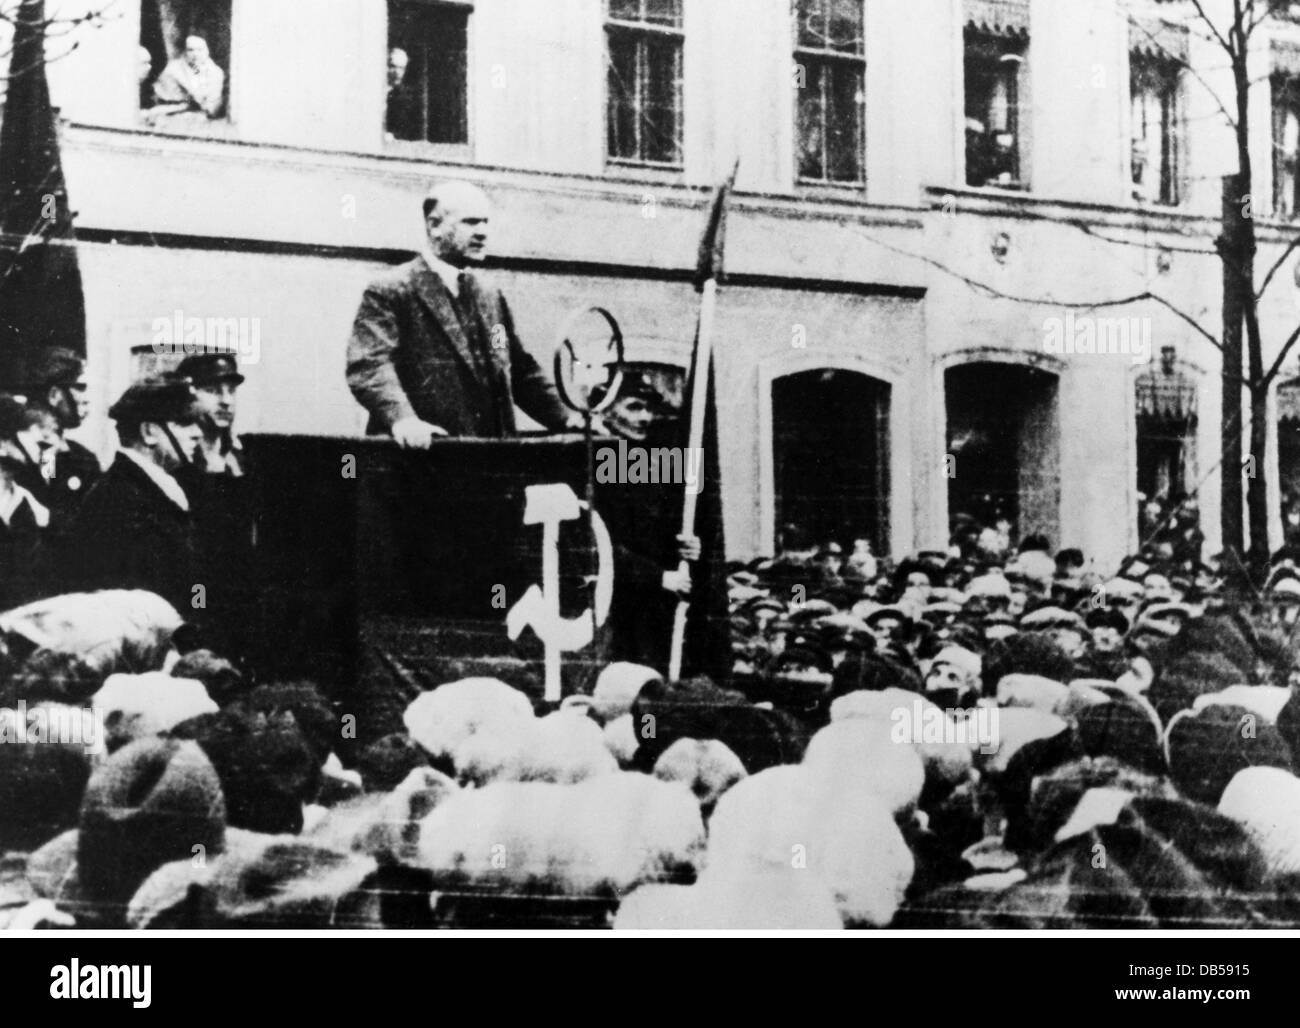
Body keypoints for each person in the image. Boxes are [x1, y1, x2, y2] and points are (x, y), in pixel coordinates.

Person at [346, 179, 569, 443]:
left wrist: (567, 418)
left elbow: (516, 368)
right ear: (434, 226)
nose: (483, 232)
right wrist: (403, 421)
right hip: (424, 464)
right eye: (470, 222)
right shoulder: (391, 291)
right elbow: (370, 365)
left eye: (486, 222)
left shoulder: (490, 297)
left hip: (491, 467)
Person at [56, 378, 203, 613]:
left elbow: (196, 581)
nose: (197, 434)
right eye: (184, 423)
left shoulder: (164, 490)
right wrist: (192, 630)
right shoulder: (117, 499)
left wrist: (198, 616)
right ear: (149, 432)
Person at [593, 370, 701, 674]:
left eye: (649, 409)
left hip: (652, 608)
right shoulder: (590, 460)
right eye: (634, 407)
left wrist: (688, 547)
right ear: (604, 410)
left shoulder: (645, 463)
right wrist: (658, 577)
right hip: (612, 608)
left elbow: (657, 532)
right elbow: (595, 542)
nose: (645, 417)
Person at [177, 351, 245, 477]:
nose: (226, 401)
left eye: (231, 391)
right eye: (212, 391)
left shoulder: (241, 454)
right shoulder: (177, 457)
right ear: (188, 396)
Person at [151, 36, 225, 122]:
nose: (195, 54)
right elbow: (160, 94)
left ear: (207, 51)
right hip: (172, 110)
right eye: (191, 50)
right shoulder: (173, 68)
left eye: (200, 50)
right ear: (185, 52)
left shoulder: (215, 71)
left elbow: (212, 103)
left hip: (201, 113)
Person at [385, 47, 418, 141]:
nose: (398, 72)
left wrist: (392, 135)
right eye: (393, 66)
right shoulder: (374, 91)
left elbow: (407, 129)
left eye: (401, 68)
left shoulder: (406, 97)